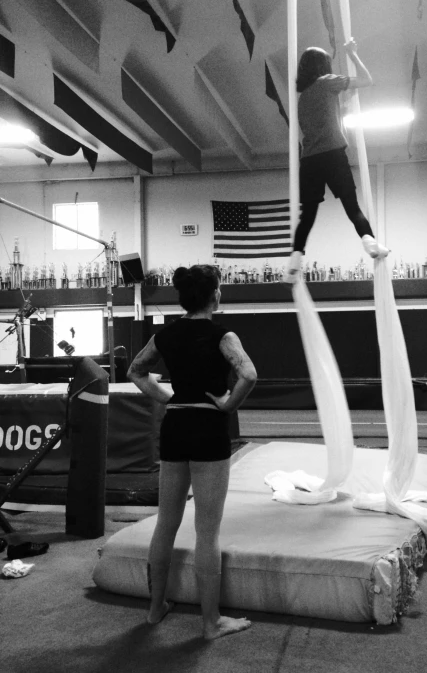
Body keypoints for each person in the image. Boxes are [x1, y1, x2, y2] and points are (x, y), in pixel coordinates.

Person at [127, 264, 257, 640]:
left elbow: (136, 370)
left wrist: (167, 398)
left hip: (176, 428)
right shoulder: (222, 335)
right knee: (206, 531)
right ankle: (210, 622)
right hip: (207, 429)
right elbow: (248, 374)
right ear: (214, 295)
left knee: (165, 522)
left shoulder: (165, 335)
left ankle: (155, 610)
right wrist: (229, 405)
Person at [285, 39, 389, 283]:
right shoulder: (327, 82)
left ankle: (294, 261)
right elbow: (366, 79)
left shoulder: (301, 97)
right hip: (332, 154)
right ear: (323, 66)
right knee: (351, 207)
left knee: (307, 215)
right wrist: (353, 53)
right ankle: (370, 244)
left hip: (309, 159)